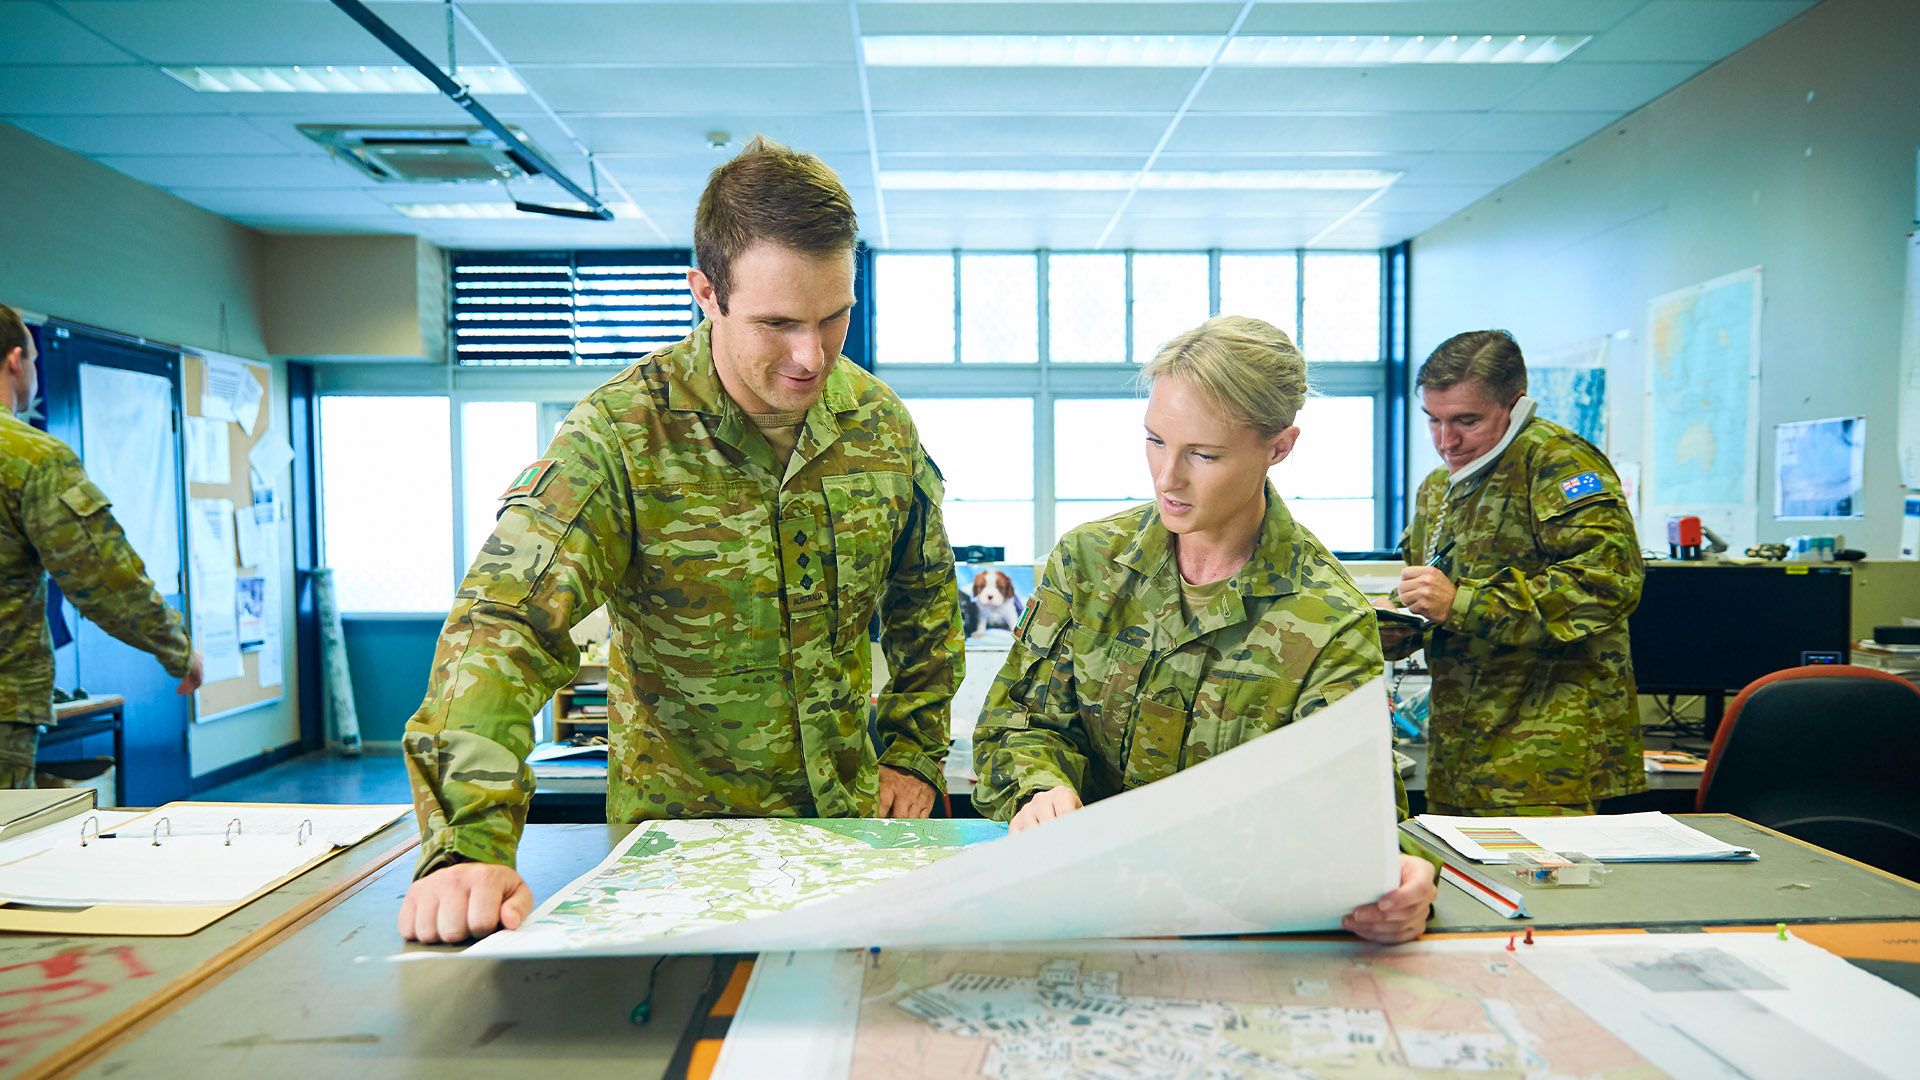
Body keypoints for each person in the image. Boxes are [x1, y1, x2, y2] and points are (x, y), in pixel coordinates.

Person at [399, 137, 964, 943]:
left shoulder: (876, 422)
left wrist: (912, 750)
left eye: (834, 316)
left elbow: (927, 601)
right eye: (777, 323)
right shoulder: (621, 437)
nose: (812, 356)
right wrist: (465, 847)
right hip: (678, 858)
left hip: (847, 842)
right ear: (706, 292)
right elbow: (502, 628)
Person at [972, 316, 1437, 945]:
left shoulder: (1327, 617)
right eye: (1156, 441)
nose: (1168, 477)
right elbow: (1019, 722)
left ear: (1279, 447)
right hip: (1083, 912)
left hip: (1237, 935)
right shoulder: (1089, 564)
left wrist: (1402, 881)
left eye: (1204, 454)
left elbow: (1359, 814)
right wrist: (1043, 787)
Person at [1391, 329, 1644, 817]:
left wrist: (1461, 603)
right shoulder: (1440, 486)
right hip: (1461, 756)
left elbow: (1608, 583)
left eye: (1467, 420)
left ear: (1516, 405)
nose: (1447, 441)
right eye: (1434, 421)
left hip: (1550, 761)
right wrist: (1399, 623)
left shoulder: (1556, 461)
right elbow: (1441, 600)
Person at [0, 304, 204, 787]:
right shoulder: (30, 457)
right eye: (31, 360)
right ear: (14, 360)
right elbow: (103, 578)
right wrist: (178, 647)